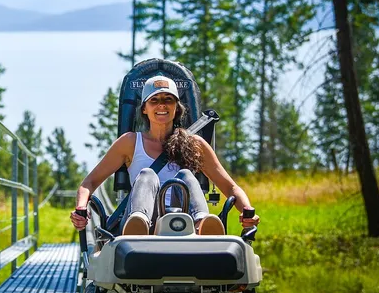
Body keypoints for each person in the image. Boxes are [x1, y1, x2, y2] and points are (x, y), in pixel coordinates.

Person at [70, 75, 260, 236]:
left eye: (168, 100)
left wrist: (247, 212)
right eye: (155, 100)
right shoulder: (129, 142)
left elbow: (230, 186)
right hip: (146, 220)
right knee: (147, 175)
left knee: (186, 176)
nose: (162, 105)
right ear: (144, 108)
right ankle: (138, 224)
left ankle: (203, 223)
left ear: (177, 107)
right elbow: (89, 183)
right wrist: (81, 209)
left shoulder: (194, 144)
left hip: (183, 221)